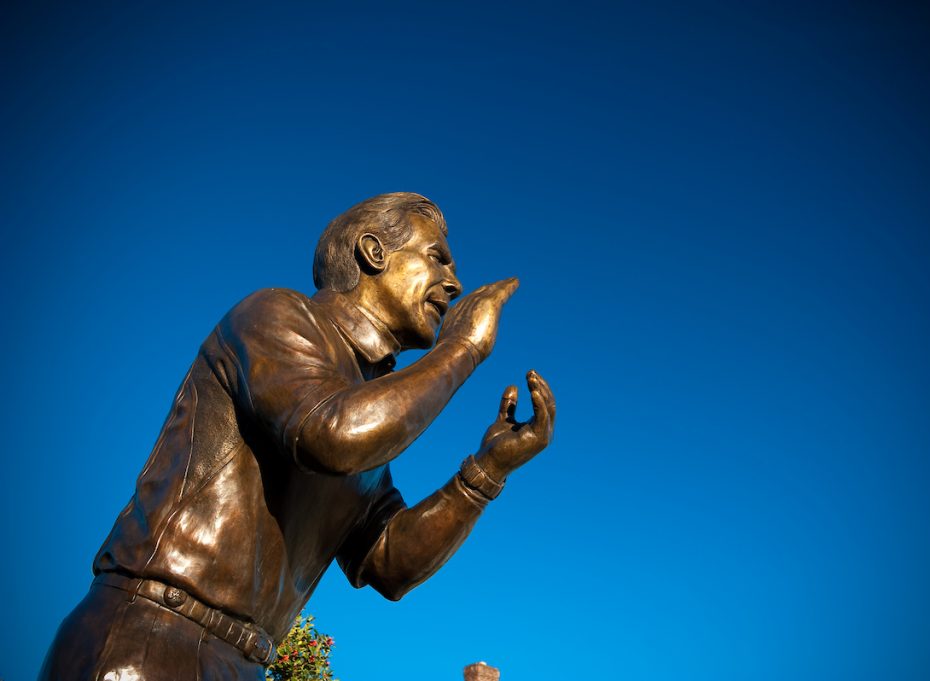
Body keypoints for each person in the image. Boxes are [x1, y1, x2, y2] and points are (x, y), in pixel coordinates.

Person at [40, 192, 555, 680]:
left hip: (242, 661)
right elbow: (331, 434)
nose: (455, 284)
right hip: (155, 639)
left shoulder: (365, 416)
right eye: (437, 258)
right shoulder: (279, 316)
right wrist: (462, 348)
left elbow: (391, 561)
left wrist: (488, 471)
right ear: (373, 252)